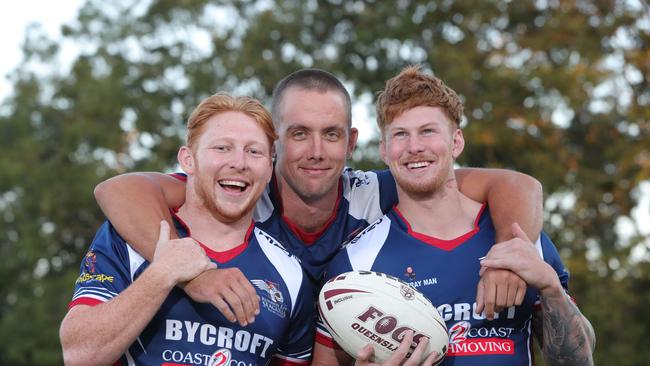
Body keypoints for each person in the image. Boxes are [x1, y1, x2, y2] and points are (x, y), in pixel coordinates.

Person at [93, 69, 543, 326]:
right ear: (274, 145)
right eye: (298, 134)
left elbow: (516, 184)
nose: (315, 151)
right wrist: (190, 272)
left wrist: (510, 253)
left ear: (351, 143)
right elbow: (120, 188)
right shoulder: (245, 189)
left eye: (330, 135)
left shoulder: (374, 191)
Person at [312, 66, 595, 365]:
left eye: (428, 131)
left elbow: (578, 361)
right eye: (400, 135)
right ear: (384, 150)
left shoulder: (521, 239)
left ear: (456, 142)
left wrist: (551, 288)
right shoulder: (356, 263)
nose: (414, 147)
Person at [60, 93, 315, 366]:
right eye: (222, 148)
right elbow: (79, 354)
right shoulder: (129, 235)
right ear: (188, 159)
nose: (239, 163)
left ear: (268, 169)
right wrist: (163, 274)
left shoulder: (290, 275)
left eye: (254, 151)